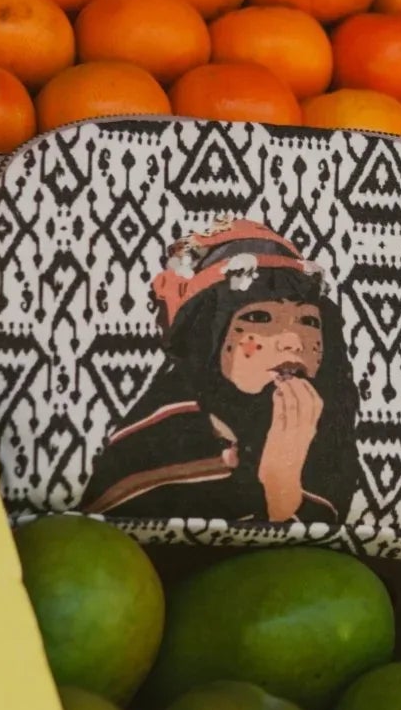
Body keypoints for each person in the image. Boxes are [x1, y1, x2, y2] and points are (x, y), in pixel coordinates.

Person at [82, 218, 356, 527]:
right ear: (207, 337)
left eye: (308, 321)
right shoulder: (163, 436)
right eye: (259, 317)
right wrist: (279, 484)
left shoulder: (326, 427)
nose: (293, 342)